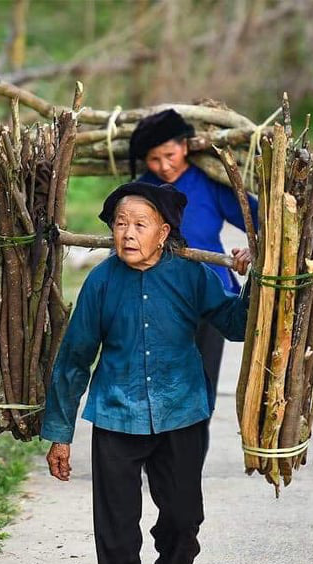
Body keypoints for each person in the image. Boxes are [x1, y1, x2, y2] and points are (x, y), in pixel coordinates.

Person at [41, 182, 251, 564]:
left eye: (139, 224)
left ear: (164, 232)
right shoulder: (101, 282)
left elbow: (235, 326)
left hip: (181, 413)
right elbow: (75, 358)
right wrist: (60, 434)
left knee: (183, 517)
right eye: (119, 223)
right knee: (116, 524)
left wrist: (249, 278)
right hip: (116, 412)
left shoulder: (192, 276)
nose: (127, 233)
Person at [128, 109, 258, 397]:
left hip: (213, 298)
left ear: (185, 146)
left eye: (169, 155)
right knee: (160, 388)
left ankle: (195, 442)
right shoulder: (138, 192)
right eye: (153, 159)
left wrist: (253, 250)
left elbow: (262, 221)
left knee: (202, 385)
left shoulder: (211, 183)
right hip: (157, 301)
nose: (163, 166)